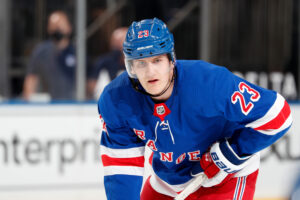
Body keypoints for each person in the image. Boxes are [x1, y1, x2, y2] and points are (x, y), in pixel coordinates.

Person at [98, 18, 292, 200]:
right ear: (130, 67)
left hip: (224, 179)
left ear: (171, 60)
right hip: (168, 182)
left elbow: (279, 115)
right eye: (141, 63)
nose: (150, 72)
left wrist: (236, 149)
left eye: (157, 60)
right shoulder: (116, 100)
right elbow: (122, 167)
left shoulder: (210, 84)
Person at [23, 11, 76, 101]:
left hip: (73, 104)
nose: (57, 29)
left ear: (69, 27)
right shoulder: (41, 52)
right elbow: (31, 81)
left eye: (60, 26)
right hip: (50, 106)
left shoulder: (77, 52)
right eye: (53, 27)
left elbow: (87, 83)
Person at [87, 27, 127, 100]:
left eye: (120, 41)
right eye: (115, 42)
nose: (117, 46)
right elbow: (91, 84)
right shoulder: (104, 61)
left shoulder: (139, 62)